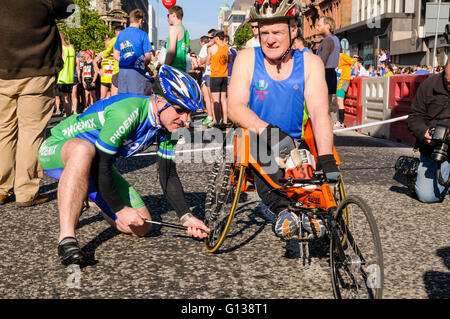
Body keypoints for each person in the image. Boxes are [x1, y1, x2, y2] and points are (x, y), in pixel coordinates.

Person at [39, 65, 210, 266]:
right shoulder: (128, 111)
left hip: (96, 166)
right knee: (83, 149)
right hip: (59, 149)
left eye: (190, 113)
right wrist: (119, 209)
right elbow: (103, 166)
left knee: (142, 226)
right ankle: (67, 239)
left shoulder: (167, 127)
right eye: (180, 111)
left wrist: (186, 216)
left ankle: (87, 195)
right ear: (159, 100)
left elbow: (168, 174)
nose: (186, 120)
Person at [228, 0, 340, 254]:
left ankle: (321, 211)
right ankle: (283, 211)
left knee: (310, 175)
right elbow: (234, 108)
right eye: (264, 32)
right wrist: (268, 131)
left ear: (293, 30)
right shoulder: (246, 59)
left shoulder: (311, 63)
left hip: (292, 141)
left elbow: (320, 113)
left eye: (277, 32)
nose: (269, 39)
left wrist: (324, 156)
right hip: (254, 135)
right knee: (264, 156)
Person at [0, 0, 74, 207]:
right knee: (31, 132)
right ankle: (25, 191)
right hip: (37, 69)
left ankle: (1, 188)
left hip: (3, 68)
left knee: (3, 130)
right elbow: (68, 9)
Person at [406, 60, 450, 203]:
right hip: (433, 149)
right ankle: (417, 174)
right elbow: (413, 117)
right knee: (427, 196)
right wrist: (424, 133)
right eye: (448, 82)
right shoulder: (429, 85)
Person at [114, 9, 153, 95]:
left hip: (123, 71)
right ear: (140, 20)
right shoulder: (143, 34)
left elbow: (116, 54)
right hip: (137, 71)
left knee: (123, 99)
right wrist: (144, 65)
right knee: (136, 99)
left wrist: (125, 61)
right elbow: (148, 56)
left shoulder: (121, 34)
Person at [315, 16, 340, 107]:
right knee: (328, 106)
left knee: (323, 106)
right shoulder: (336, 39)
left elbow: (322, 61)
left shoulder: (327, 40)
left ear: (327, 26)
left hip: (325, 73)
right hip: (331, 73)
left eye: (319, 25)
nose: (317, 28)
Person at [208, 31, 229, 128]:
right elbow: (229, 60)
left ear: (217, 38)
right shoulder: (226, 47)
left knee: (216, 100)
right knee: (223, 100)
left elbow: (208, 62)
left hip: (215, 76)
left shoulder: (212, 48)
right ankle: (224, 121)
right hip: (224, 75)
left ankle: (217, 121)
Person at [165, 5, 190, 73]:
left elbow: (171, 51)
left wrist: (164, 67)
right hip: (182, 70)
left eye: (168, 15)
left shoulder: (174, 28)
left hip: (173, 69)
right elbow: (188, 50)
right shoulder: (186, 31)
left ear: (173, 15)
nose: (167, 18)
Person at [56, 32, 76, 117]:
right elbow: (75, 64)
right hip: (70, 77)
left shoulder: (62, 49)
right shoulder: (71, 48)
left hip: (62, 77)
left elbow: (58, 63)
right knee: (68, 97)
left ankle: (68, 118)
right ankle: (70, 115)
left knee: (65, 99)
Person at [335, 52, 356, 128]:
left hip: (343, 80)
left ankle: (341, 122)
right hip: (339, 80)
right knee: (338, 101)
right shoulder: (336, 58)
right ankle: (339, 121)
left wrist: (354, 74)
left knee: (340, 100)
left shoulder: (343, 56)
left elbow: (354, 62)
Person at [199, 32, 216, 127]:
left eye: (211, 37)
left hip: (216, 74)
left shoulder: (220, 46)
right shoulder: (205, 46)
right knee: (207, 97)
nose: (209, 39)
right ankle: (210, 116)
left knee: (214, 98)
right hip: (206, 74)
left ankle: (216, 118)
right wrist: (209, 54)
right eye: (208, 37)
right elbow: (201, 60)